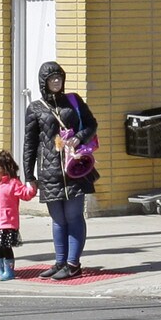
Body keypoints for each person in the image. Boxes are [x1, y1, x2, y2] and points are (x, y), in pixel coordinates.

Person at [24, 61, 99, 280]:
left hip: (75, 168)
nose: (56, 81)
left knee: (74, 216)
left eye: (59, 77)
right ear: (43, 82)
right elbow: (29, 144)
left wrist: (78, 137)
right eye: (52, 78)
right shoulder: (35, 109)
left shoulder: (73, 101)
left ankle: (73, 264)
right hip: (50, 171)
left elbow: (91, 124)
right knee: (58, 219)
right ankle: (60, 262)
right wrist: (29, 175)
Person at [0, 151, 37, 282]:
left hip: (8, 223)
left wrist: (32, 187)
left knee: (6, 248)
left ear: (0, 170)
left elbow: (25, 194)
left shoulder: (13, 183)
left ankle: (9, 271)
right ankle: (0, 269)